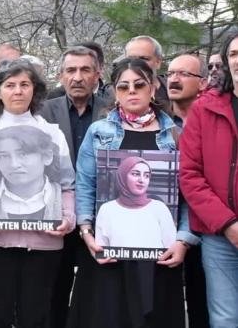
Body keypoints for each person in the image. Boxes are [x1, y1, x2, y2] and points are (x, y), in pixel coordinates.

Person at [70, 57, 197, 328]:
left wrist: (183, 241)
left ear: (153, 88)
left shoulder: (176, 135)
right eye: (123, 86)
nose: (131, 91)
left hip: (160, 257)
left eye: (139, 85)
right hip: (107, 252)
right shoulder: (99, 131)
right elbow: (85, 185)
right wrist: (87, 233)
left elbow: (190, 194)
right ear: (115, 92)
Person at [0, 58, 75, 328]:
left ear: (35, 89)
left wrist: (68, 219)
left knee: (35, 316)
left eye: (25, 84)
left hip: (44, 242)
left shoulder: (53, 134)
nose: (18, 91)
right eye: (10, 85)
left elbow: (68, 186)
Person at [39, 46, 110, 328]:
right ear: (61, 75)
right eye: (71, 70)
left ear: (97, 75)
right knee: (53, 290)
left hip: (100, 217)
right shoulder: (43, 111)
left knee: (96, 292)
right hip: (55, 216)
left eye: (85, 70)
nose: (77, 77)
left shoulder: (111, 111)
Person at [180, 31, 238, 328]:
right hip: (220, 236)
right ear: (227, 62)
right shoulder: (205, 107)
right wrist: (227, 224)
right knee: (225, 318)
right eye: (234, 54)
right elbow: (190, 173)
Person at [165, 53, 209, 328]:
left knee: (202, 302)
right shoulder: (155, 122)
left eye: (183, 74)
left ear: (203, 83)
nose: (174, 79)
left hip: (206, 227)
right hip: (164, 227)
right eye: (170, 73)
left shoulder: (212, 123)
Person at [95, 157, 177, 249]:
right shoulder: (107, 210)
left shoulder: (159, 208)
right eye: (135, 174)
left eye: (146, 176)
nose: (141, 180)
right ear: (123, 176)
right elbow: (101, 251)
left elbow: (171, 248)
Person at [124, 35, 169, 108]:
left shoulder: (173, 92)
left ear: (158, 62)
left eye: (144, 58)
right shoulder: (110, 95)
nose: (137, 63)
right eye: (131, 59)